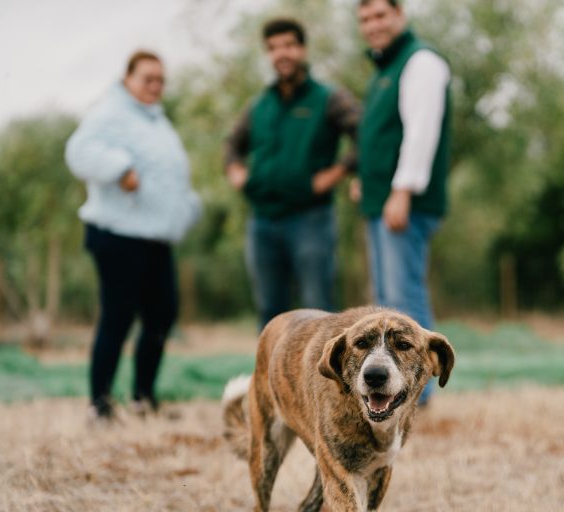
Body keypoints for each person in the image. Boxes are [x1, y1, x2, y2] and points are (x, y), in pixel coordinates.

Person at [65, 50, 202, 422]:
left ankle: (143, 398)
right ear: (128, 79)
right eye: (147, 79)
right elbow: (78, 151)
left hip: (155, 238)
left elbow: (169, 174)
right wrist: (119, 168)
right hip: (118, 233)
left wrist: (188, 208)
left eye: (160, 80)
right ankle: (101, 404)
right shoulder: (111, 113)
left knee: (162, 315)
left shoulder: (157, 121)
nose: (155, 86)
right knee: (118, 317)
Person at [224, 18, 361, 330]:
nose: (280, 54)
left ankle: (324, 380)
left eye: (287, 45)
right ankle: (271, 380)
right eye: (272, 48)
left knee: (319, 309)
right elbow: (232, 144)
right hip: (262, 221)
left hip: (310, 219)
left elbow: (365, 135)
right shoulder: (259, 105)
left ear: (302, 49)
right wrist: (236, 171)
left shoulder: (329, 97)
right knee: (269, 313)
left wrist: (338, 172)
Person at [356, 0, 452, 405]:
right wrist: (369, 182)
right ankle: (396, 393)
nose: (372, 25)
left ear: (400, 15)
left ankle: (417, 397)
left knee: (403, 301)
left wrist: (402, 190)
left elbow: (421, 130)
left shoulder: (421, 62)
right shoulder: (384, 70)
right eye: (364, 19)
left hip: (404, 203)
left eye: (380, 15)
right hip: (382, 200)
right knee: (386, 301)